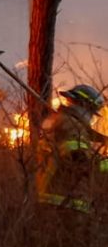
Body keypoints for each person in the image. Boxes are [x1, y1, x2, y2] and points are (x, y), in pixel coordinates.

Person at [37, 84, 107, 213]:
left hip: (51, 197)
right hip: (65, 202)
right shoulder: (71, 126)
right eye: (92, 112)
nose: (92, 118)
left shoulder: (61, 120)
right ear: (84, 106)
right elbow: (81, 161)